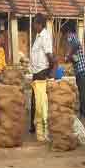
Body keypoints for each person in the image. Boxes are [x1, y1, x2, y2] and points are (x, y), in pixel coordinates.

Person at [29, 14, 56, 142]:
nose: (33, 26)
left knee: (39, 102)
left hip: (41, 72)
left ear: (40, 24)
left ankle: (40, 127)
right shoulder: (38, 36)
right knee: (35, 100)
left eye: (35, 23)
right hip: (36, 71)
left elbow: (50, 56)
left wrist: (50, 72)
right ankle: (35, 126)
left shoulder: (44, 36)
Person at [64, 23, 85, 120]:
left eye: (65, 35)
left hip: (82, 70)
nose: (65, 37)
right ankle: (83, 113)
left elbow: (75, 45)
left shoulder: (71, 37)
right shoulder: (72, 39)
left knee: (83, 93)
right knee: (81, 92)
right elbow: (75, 57)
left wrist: (67, 55)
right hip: (79, 70)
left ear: (68, 32)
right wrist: (69, 58)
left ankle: (84, 114)